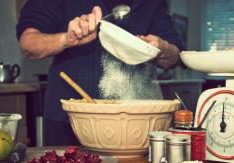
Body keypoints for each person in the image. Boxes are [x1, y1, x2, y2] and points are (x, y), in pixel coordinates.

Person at [16, 0, 183, 146]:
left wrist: (161, 48)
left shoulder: (153, 2)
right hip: (69, 121)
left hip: (137, 123)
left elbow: (176, 56)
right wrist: (66, 39)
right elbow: (28, 43)